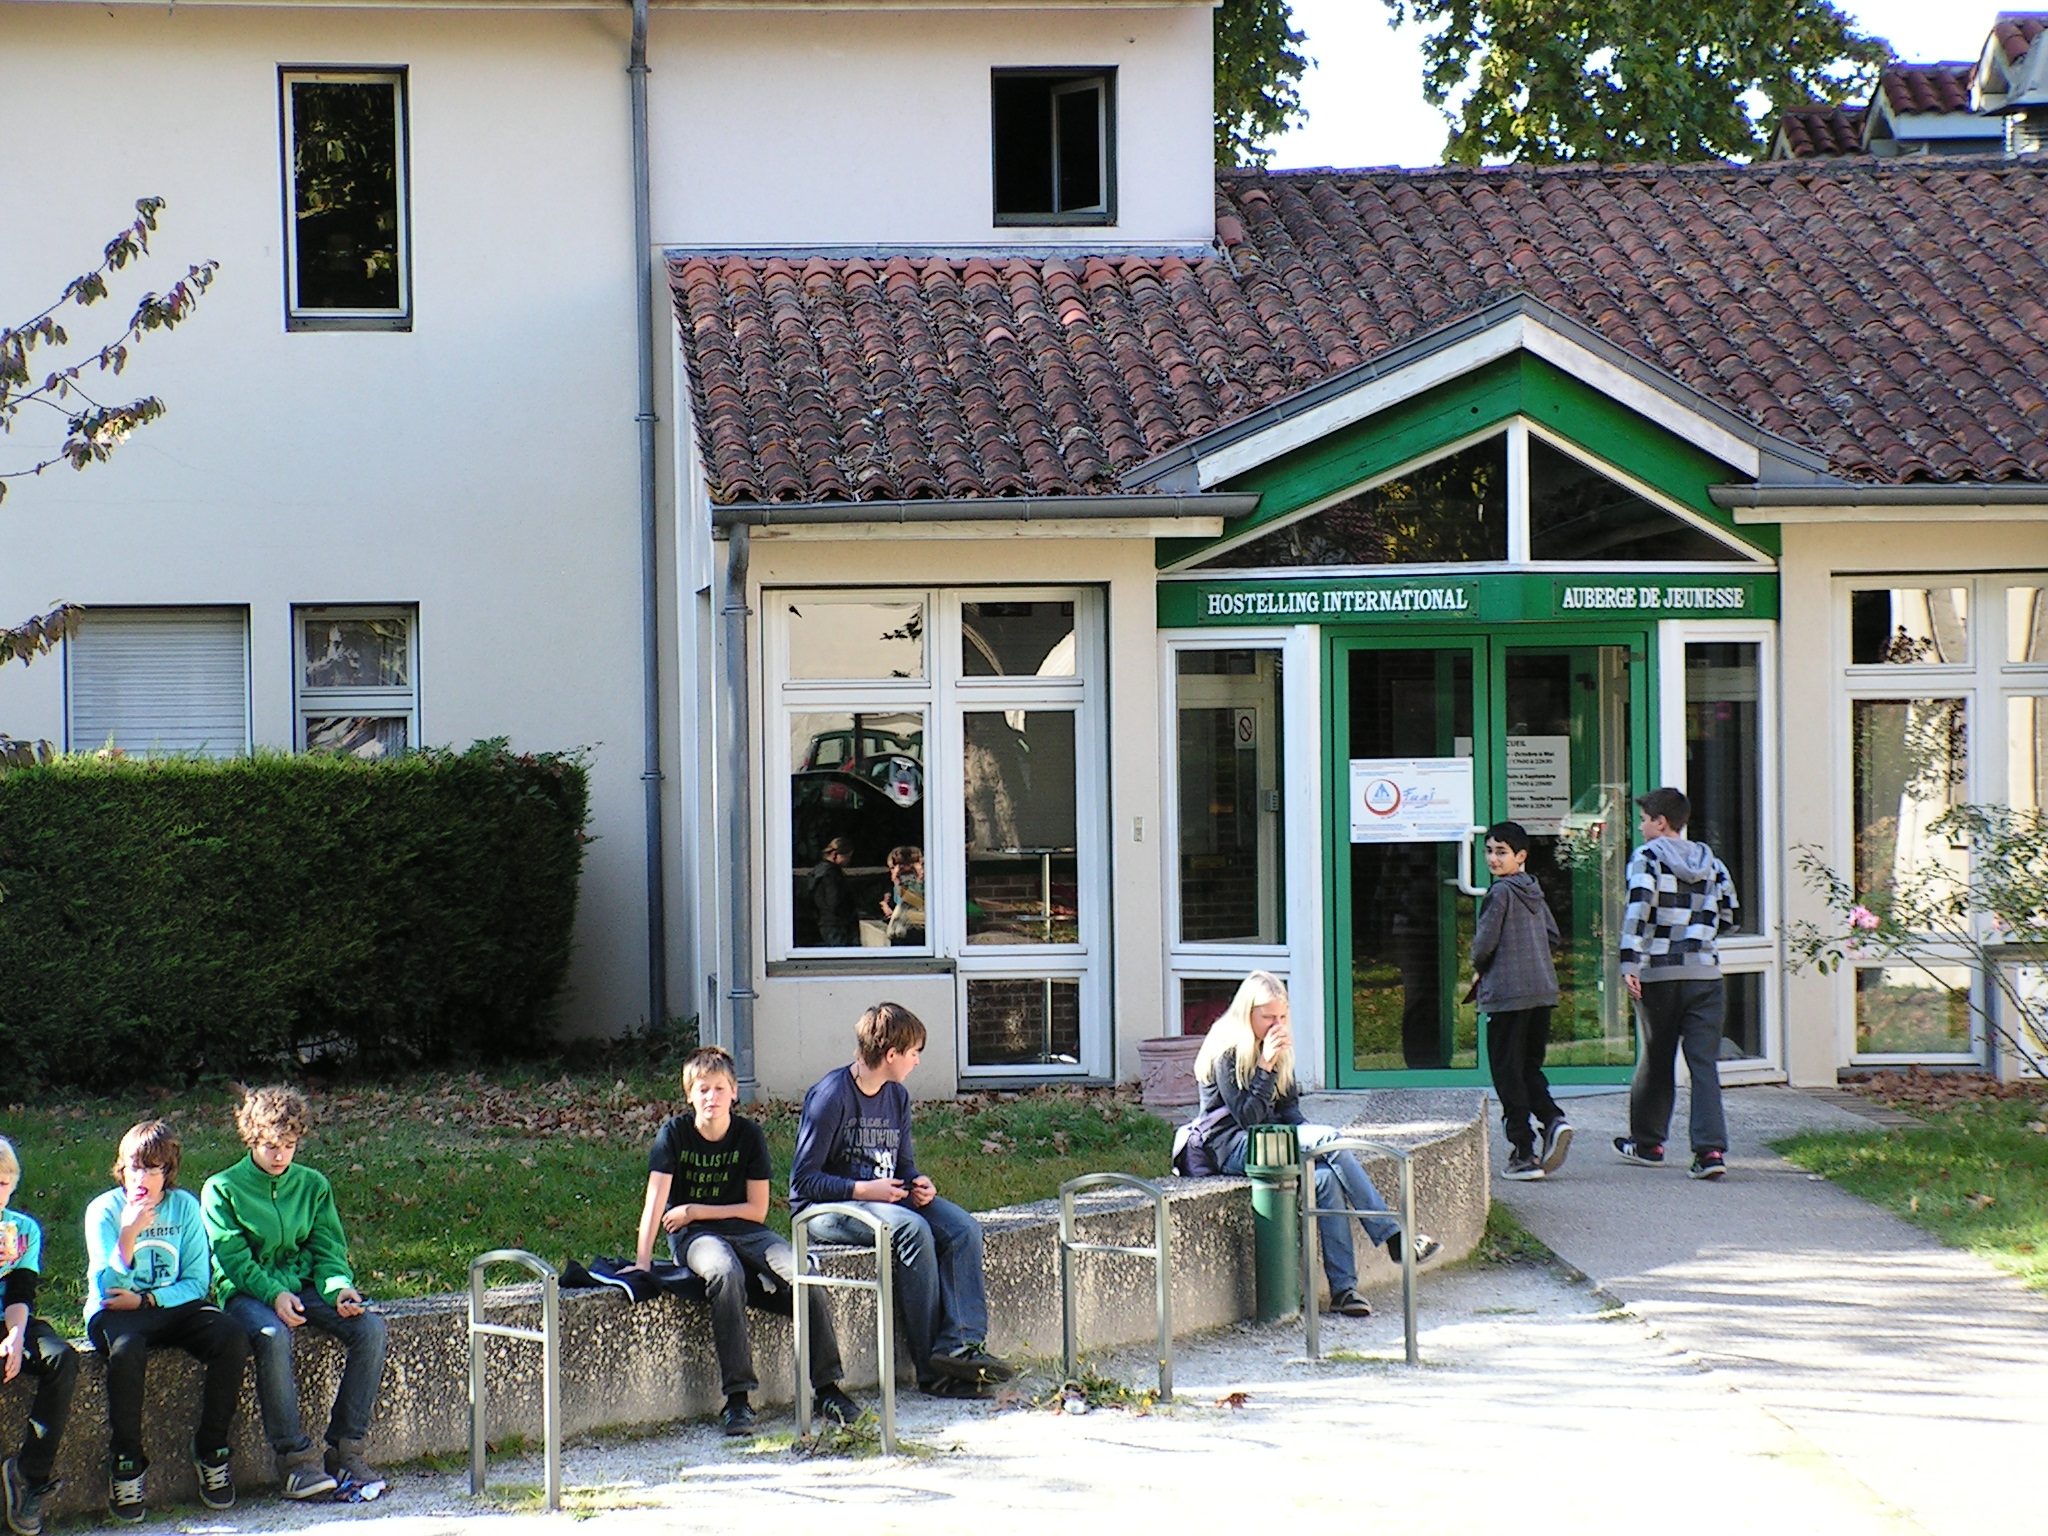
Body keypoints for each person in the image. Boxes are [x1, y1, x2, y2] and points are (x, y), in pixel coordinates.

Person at [790, 1003, 1016, 1398]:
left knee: (962, 1228)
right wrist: (864, 1190)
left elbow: (903, 1165)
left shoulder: (896, 1096)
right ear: (891, 1054)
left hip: (884, 1200)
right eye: (914, 1052)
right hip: (827, 1210)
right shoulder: (831, 1096)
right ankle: (933, 1373)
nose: (917, 1061)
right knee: (912, 1230)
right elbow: (804, 1181)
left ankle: (960, 1347)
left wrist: (918, 1183)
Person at [632, 1046, 859, 1437]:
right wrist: (642, 1261)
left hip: (745, 1229)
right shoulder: (674, 1134)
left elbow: (757, 1210)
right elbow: (655, 1201)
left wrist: (695, 1209)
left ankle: (827, 1389)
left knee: (804, 1274)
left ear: (734, 1092)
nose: (711, 1097)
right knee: (724, 1272)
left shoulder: (749, 1135)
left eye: (720, 1088)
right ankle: (737, 1398)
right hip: (694, 1236)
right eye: (702, 1089)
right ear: (689, 1095)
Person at [1192, 972, 1440, 1317]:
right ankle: (1393, 1237)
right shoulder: (1227, 1049)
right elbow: (1248, 1119)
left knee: (1325, 1178)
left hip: (1276, 1142)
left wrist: (1313, 1144)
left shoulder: (1277, 1049)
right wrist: (1265, 1066)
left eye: (1282, 1017)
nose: (1277, 1025)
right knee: (1328, 1138)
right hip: (1233, 1146)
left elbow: (1290, 1112)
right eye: (1268, 1017)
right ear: (1247, 1013)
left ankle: (1344, 1290)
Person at [201, 1086, 389, 1501]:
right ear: (252, 1139)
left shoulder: (312, 1185)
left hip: (304, 1285)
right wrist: (273, 1295)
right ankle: (295, 1462)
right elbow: (233, 1259)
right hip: (248, 1291)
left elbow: (327, 1248)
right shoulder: (222, 1188)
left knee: (370, 1330)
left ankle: (346, 1451)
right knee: (272, 1335)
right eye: (271, 1146)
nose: (281, 1156)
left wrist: (338, 1288)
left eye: (289, 1145)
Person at [85, 1120, 248, 1522]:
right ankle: (126, 1462)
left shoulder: (184, 1207)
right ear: (122, 1168)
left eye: (152, 1169)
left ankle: (212, 1449)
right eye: (134, 1168)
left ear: (168, 1172)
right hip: (116, 1312)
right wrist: (128, 1234)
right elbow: (109, 1289)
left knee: (230, 1336)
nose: (141, 1179)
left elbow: (196, 1282)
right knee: (126, 1350)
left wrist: (149, 1299)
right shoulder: (104, 1210)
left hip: (166, 1304)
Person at [1613, 787, 1740, 1181]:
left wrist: (1630, 962)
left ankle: (1649, 1144)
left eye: (1643, 820)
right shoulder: (1712, 861)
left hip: (1659, 974)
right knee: (1704, 1064)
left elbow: (1638, 910)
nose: (1640, 827)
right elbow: (1731, 915)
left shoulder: (1646, 858)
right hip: (1704, 975)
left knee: (1657, 1058)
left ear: (1660, 822)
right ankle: (1710, 1152)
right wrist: (1698, 936)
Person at [1470, 822, 1570, 1181]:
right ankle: (1553, 1119)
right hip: (1541, 992)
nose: (1493, 859)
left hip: (1507, 996)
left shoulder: (1500, 893)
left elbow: (1484, 945)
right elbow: (1552, 936)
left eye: (1501, 852)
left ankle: (1523, 1152)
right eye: (1489, 851)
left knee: (1507, 1072)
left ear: (1521, 856)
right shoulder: (1533, 889)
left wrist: (1479, 967)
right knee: (1527, 1067)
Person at [1, 1137, 79, 1536]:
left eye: (2, 1184)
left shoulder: (21, 1230)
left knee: (61, 1357)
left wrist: (15, 1336)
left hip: (11, 1317)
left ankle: (29, 1476)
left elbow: (21, 1292)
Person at [809, 837, 859, 946]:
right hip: (837, 925)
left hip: (824, 922)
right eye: (847, 857)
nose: (848, 860)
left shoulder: (818, 871)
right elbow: (835, 900)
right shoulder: (832, 875)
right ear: (836, 854)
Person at [880, 845, 926, 946]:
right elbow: (899, 900)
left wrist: (919, 879)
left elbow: (915, 900)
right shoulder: (893, 885)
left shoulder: (927, 884)